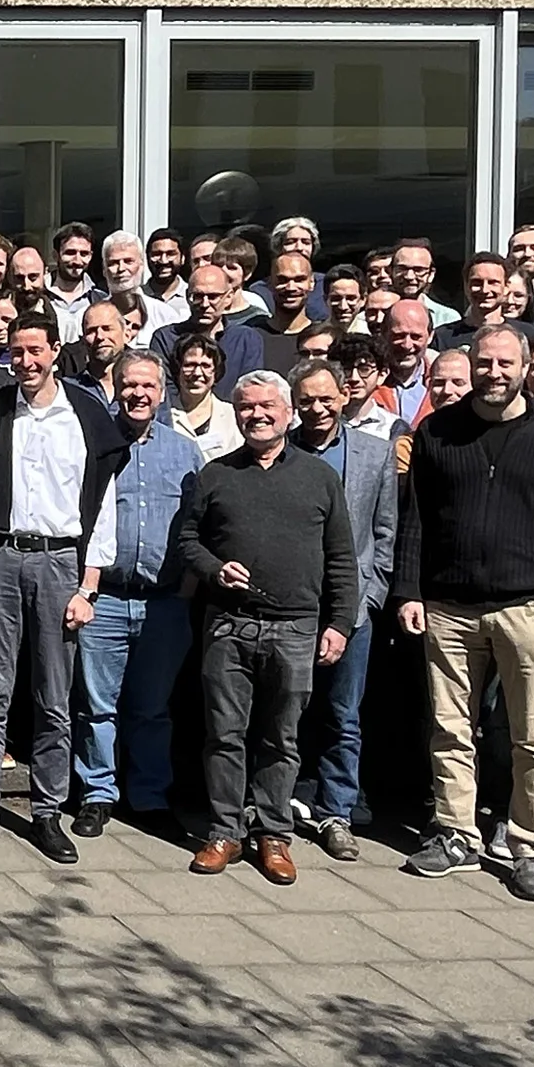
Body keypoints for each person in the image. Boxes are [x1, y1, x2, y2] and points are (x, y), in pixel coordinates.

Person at [393, 326, 534, 903]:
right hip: (448, 607)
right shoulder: (437, 431)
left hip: (529, 608)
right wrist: (408, 591)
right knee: (450, 728)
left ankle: (528, 845)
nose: (494, 373)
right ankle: (456, 833)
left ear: (525, 367)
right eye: (484, 363)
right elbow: (416, 520)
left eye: (505, 363)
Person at [169, 371, 356, 884]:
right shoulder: (216, 474)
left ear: (288, 412)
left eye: (267, 406)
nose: (257, 415)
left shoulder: (320, 477)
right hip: (228, 626)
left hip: (295, 627)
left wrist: (340, 622)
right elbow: (188, 541)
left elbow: (341, 557)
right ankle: (225, 831)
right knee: (224, 735)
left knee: (281, 738)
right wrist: (214, 569)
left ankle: (273, 833)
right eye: (247, 407)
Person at [0, 316, 127, 867]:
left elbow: (102, 505)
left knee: (53, 697)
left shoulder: (85, 413)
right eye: (16, 352)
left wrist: (90, 586)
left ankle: (46, 811)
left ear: (56, 351)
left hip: (60, 563)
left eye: (35, 350)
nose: (26, 361)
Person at [72, 354, 199, 834]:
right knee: (96, 706)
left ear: (162, 393)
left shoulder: (184, 452)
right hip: (104, 597)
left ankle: (149, 797)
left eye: (148, 386)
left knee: (152, 707)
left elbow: (199, 523)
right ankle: (97, 793)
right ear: (116, 389)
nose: (138, 394)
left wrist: (186, 589)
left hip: (164, 601)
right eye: (129, 385)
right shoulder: (94, 443)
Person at [289, 354, 400, 860]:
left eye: (325, 398)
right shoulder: (281, 451)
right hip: (292, 606)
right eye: (306, 400)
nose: (316, 408)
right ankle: (282, 802)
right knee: (285, 712)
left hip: (352, 608)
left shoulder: (375, 454)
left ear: (343, 397)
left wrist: (371, 597)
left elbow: (385, 532)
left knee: (342, 715)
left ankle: (336, 811)